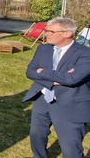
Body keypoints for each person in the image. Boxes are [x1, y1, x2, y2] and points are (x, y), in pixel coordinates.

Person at [23, 17, 90, 158]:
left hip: (70, 104)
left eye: (51, 31)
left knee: (70, 148)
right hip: (42, 99)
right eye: (46, 30)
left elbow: (73, 79)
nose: (46, 34)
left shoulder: (85, 53)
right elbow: (30, 72)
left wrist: (43, 73)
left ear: (67, 34)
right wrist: (56, 79)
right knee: (37, 136)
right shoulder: (43, 49)